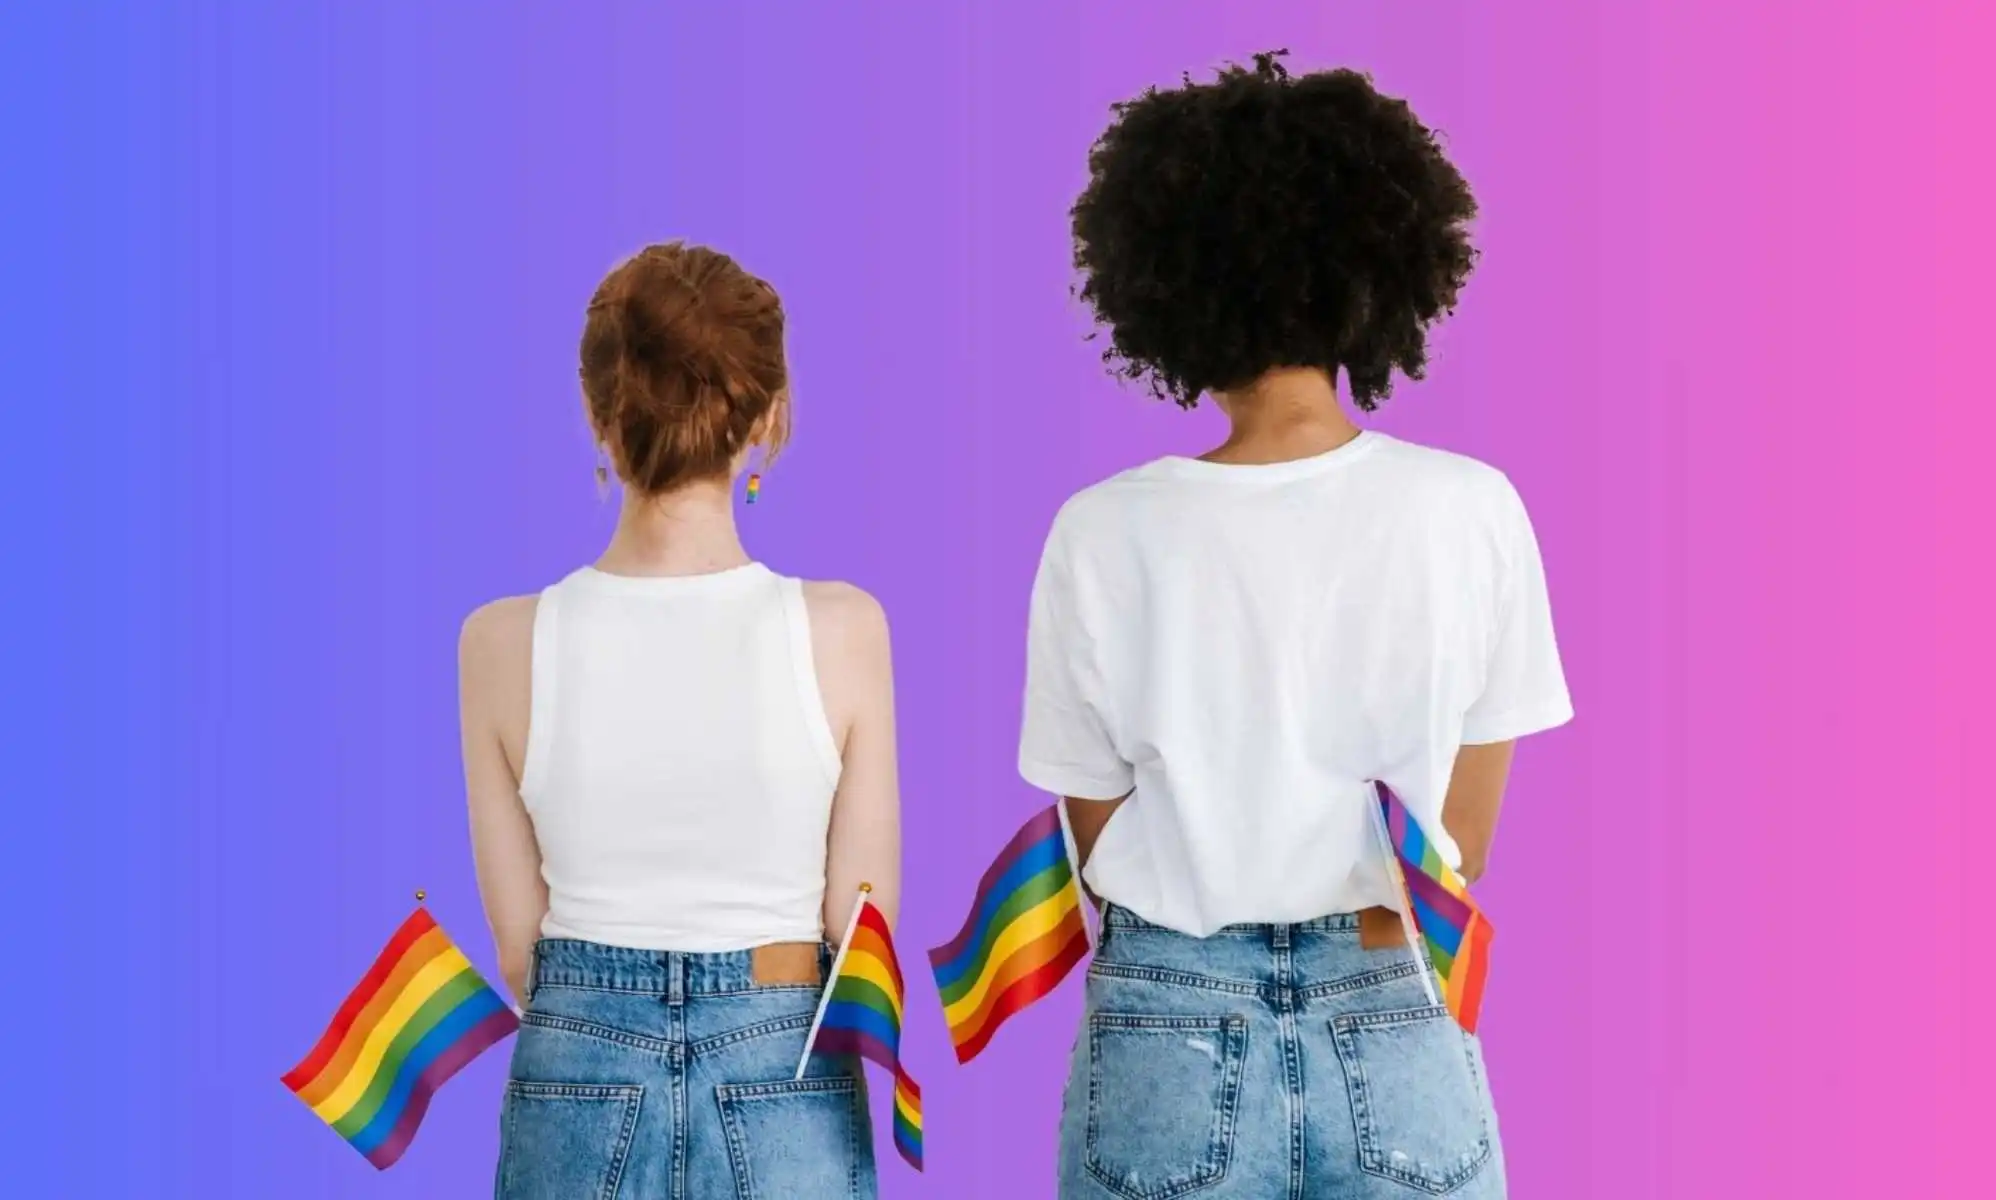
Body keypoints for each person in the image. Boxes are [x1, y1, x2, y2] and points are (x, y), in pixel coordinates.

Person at [1023, 53, 1573, 1198]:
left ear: (1162, 287)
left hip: (1166, 1019)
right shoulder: (1470, 508)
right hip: (1396, 997)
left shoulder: (1101, 531)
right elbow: (1466, 826)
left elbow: (1097, 826)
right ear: (1376, 272)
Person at [459, 242, 900, 1199]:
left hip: (578, 1063)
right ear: (770, 421)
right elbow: (860, 923)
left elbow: (520, 947)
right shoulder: (844, 629)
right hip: (786, 1060)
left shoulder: (498, 643)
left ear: (598, 414)